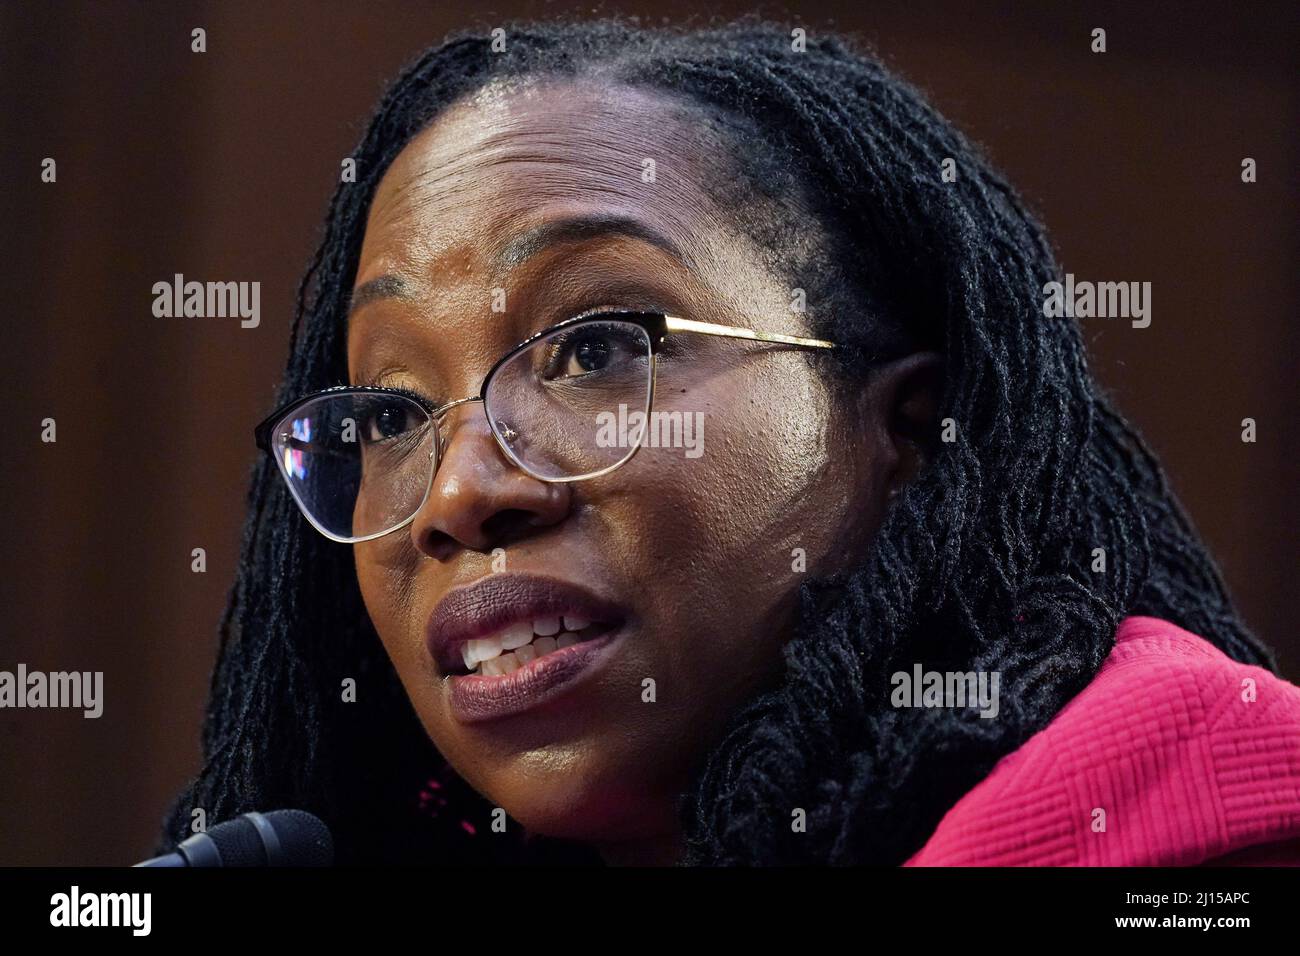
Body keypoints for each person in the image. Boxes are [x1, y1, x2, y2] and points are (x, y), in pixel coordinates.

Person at [155, 18, 1300, 866]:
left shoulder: (1204, 835)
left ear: (907, 431)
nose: (459, 491)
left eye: (595, 347)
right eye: (394, 410)